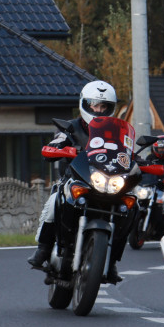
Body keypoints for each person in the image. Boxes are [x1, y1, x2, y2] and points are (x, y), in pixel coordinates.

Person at [27, 81, 119, 276]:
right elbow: (55, 144)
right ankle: (43, 249)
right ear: (85, 104)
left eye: (104, 106)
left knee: (130, 206)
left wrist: (138, 160)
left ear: (111, 108)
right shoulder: (70, 127)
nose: (99, 110)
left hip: (106, 182)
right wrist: (57, 148)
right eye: (94, 105)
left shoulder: (116, 131)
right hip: (76, 179)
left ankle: (111, 260)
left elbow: (126, 151)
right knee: (54, 202)